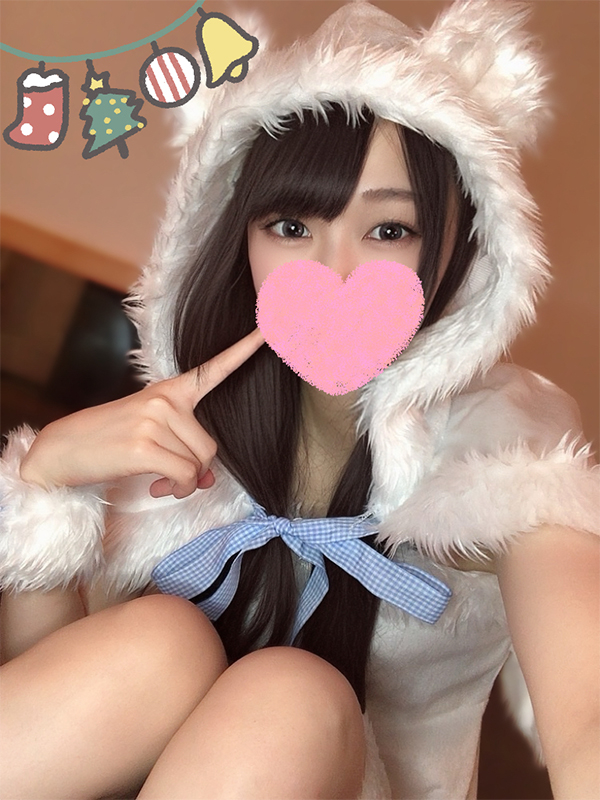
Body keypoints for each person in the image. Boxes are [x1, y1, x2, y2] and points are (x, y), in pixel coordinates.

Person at [0, 1, 598, 798]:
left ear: (459, 247)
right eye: (290, 226)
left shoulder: (497, 439)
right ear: (237, 237)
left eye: (390, 230)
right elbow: (55, 719)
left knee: (289, 693)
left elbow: (587, 709)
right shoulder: (178, 429)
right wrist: (46, 481)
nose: (335, 270)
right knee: (160, 639)